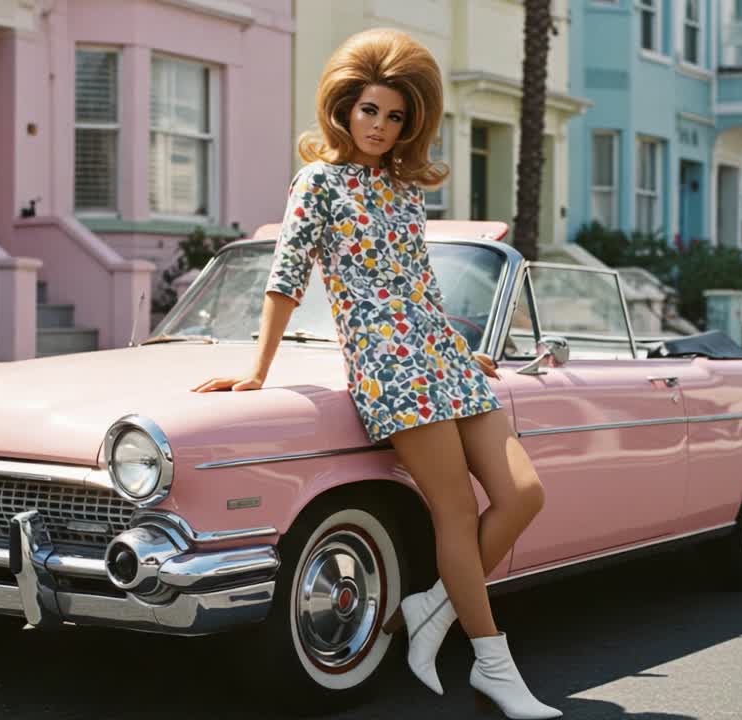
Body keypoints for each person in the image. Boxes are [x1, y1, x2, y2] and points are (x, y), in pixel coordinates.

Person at [192, 28, 559, 719]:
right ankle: (492, 665)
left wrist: (458, 345)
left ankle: (430, 605)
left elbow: (420, 286)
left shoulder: (402, 189)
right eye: (370, 112)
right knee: (453, 512)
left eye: (394, 117)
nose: (381, 127)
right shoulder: (319, 183)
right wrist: (256, 371)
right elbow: (286, 279)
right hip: (388, 367)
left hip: (441, 358)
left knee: (523, 494)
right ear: (343, 108)